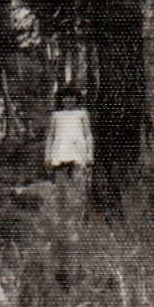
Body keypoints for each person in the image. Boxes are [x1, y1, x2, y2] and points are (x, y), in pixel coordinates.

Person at [43, 85, 94, 236]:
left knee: (79, 192)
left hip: (79, 157)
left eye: (72, 97)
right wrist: (48, 156)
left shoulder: (82, 114)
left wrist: (90, 155)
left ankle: (78, 226)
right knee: (61, 192)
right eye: (65, 97)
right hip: (59, 157)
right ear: (61, 99)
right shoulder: (56, 116)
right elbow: (51, 137)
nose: (68, 100)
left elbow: (88, 135)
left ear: (76, 99)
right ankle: (63, 227)